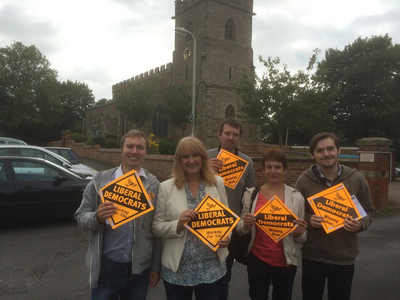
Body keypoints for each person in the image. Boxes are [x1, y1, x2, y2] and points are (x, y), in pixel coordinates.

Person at [75, 130, 162, 300]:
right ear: (121, 149)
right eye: (129, 146)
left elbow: (157, 230)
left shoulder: (154, 186)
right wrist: (97, 217)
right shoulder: (100, 181)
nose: (134, 151)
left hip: (139, 271)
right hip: (106, 268)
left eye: (140, 147)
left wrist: (156, 267)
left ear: (146, 152)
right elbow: (81, 217)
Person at [294, 132, 374, 300]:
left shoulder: (357, 179)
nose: (326, 154)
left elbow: (367, 211)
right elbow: (295, 214)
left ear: (338, 150)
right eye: (320, 150)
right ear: (313, 155)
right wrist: (309, 220)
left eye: (330, 148)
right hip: (313, 256)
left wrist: (359, 225)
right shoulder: (303, 181)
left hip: (343, 257)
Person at [152, 136, 230, 300]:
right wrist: (178, 224)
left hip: (212, 268)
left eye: (195, 155)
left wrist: (227, 237)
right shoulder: (166, 188)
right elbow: (157, 227)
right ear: (179, 160)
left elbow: (226, 220)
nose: (191, 160)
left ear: (203, 157)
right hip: (178, 271)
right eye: (185, 156)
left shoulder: (217, 183)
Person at [236, 148, 307, 300]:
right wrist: (246, 224)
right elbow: (240, 229)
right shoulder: (251, 194)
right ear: (263, 170)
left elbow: (302, 237)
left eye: (278, 167)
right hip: (258, 259)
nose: (273, 171)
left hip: (286, 262)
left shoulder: (296, 197)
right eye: (269, 167)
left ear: (285, 170)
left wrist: (299, 232)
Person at [207, 117, 255, 285]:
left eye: (235, 134)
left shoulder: (247, 162)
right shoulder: (205, 157)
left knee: (224, 274)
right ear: (219, 135)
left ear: (239, 138)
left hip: (231, 226)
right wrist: (205, 170)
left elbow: (249, 194)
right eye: (227, 133)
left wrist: (243, 222)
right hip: (206, 221)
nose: (231, 138)